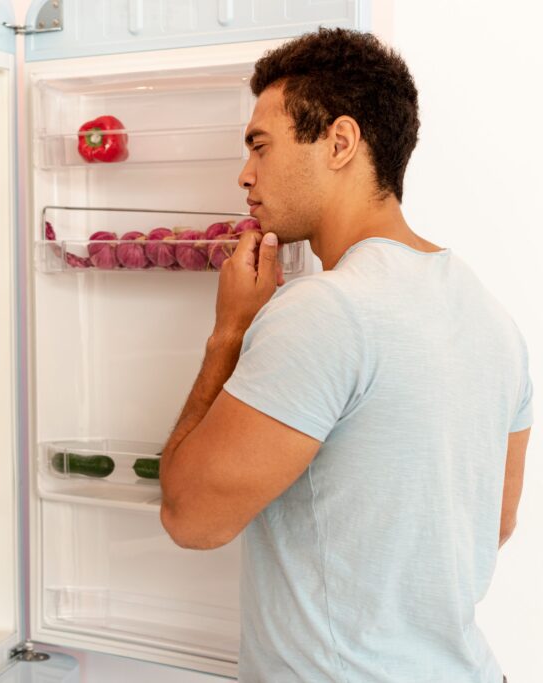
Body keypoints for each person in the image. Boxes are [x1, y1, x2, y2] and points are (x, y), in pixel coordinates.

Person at [158, 28, 532, 683]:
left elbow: (190, 517)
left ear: (339, 141)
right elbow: (492, 522)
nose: (245, 174)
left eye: (259, 144)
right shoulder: (493, 318)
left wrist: (229, 334)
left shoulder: (324, 310)